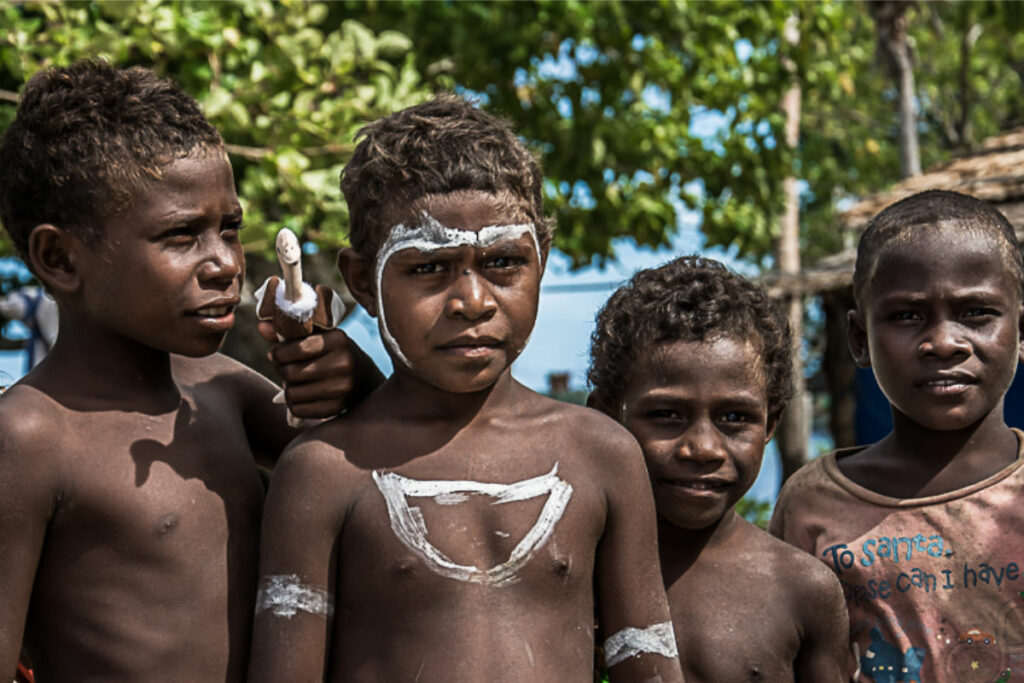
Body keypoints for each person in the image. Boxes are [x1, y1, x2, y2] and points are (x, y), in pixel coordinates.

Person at [248, 96, 683, 683]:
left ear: (542, 262)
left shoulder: (601, 455)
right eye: (428, 268)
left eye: (503, 262)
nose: (472, 303)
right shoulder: (325, 471)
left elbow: (648, 666)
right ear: (362, 282)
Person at [0, 60, 378, 682]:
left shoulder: (225, 390)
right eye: (182, 237)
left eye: (229, 229)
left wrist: (355, 381)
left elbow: (382, 472)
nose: (226, 263)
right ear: (59, 258)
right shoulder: (29, 438)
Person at [770, 190, 1024, 682]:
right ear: (860, 340)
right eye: (907, 316)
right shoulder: (812, 505)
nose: (944, 343)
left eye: (976, 313)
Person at [586, 256, 849, 682]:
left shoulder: (801, 590)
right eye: (667, 414)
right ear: (604, 419)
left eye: (734, 418)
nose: (703, 448)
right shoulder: (568, 576)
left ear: (771, 424)